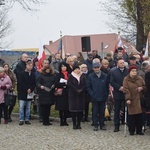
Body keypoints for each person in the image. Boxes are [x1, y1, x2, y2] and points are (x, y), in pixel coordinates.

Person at [123, 65, 145, 135]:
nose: (134, 72)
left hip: (139, 99)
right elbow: (126, 89)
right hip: (132, 99)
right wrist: (128, 98)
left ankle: (139, 130)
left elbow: (145, 86)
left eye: (135, 71)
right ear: (129, 72)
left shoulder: (140, 78)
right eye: (133, 71)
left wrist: (142, 88)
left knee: (139, 116)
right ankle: (131, 130)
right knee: (132, 116)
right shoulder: (126, 79)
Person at [87, 62, 109, 131]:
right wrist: (92, 94)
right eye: (95, 68)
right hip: (94, 97)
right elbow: (88, 87)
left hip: (102, 96)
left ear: (100, 68)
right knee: (95, 111)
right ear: (93, 68)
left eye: (98, 67)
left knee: (102, 111)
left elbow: (107, 86)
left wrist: (106, 95)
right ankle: (96, 124)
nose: (97, 69)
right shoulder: (90, 76)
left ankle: (102, 124)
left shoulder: (105, 76)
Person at [110, 58, 128, 132]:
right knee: (117, 109)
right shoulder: (113, 71)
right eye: (120, 63)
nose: (122, 64)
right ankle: (116, 125)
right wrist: (119, 87)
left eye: (123, 63)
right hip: (118, 92)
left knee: (126, 108)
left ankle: (125, 121)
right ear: (117, 64)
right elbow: (112, 82)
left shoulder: (127, 70)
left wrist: (125, 87)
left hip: (126, 92)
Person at [68, 65, 86, 129]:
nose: (77, 70)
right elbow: (69, 84)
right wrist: (76, 90)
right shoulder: (71, 76)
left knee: (80, 110)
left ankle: (79, 124)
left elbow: (85, 84)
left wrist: (81, 89)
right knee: (73, 110)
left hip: (81, 95)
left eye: (78, 69)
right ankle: (74, 124)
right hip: (73, 95)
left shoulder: (82, 76)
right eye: (76, 69)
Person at [18, 61, 36, 125]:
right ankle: (21, 119)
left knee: (28, 107)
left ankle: (27, 119)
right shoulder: (21, 73)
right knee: (22, 106)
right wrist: (26, 89)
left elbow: (34, 83)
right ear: (26, 66)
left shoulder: (33, 74)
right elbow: (21, 83)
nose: (30, 67)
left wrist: (30, 89)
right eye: (29, 65)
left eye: (31, 66)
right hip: (22, 92)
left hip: (30, 93)